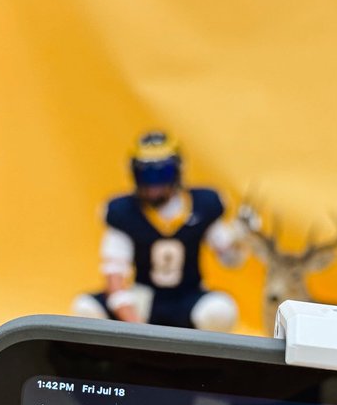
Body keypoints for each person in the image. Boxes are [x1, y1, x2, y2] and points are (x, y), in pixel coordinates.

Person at [72, 131, 245, 330]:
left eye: (162, 173)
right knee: (85, 307)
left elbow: (231, 260)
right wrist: (136, 328)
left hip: (188, 297)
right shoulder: (124, 212)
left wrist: (241, 237)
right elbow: (115, 280)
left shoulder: (202, 204)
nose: (153, 185)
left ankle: (200, 360)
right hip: (143, 299)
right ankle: (112, 359)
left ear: (177, 171)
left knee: (220, 311)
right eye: (145, 174)